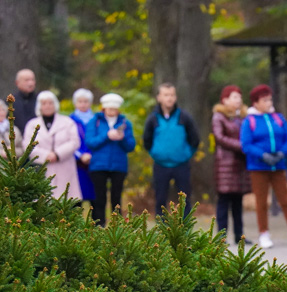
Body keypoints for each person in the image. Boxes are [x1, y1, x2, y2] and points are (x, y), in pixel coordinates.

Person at [240, 84, 287, 249]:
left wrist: (281, 153)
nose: (269, 102)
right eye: (265, 100)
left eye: (270, 99)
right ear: (255, 103)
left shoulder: (278, 118)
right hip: (258, 168)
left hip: (278, 166)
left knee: (286, 199)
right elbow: (246, 144)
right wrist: (262, 155)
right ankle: (264, 233)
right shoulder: (249, 121)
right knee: (262, 202)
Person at [143, 83, 200, 218]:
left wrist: (186, 154)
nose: (169, 98)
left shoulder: (184, 117)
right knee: (160, 198)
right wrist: (156, 153)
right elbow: (147, 140)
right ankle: (161, 228)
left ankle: (185, 229)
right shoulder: (153, 119)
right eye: (166, 95)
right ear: (159, 97)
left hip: (181, 165)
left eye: (172, 95)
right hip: (160, 165)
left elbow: (195, 139)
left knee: (184, 199)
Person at [86, 93, 136, 226]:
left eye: (115, 109)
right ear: (104, 108)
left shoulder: (125, 123)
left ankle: (117, 225)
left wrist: (122, 138)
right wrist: (107, 136)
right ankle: (98, 225)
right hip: (98, 166)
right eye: (110, 109)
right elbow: (90, 142)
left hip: (118, 166)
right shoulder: (94, 122)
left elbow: (130, 146)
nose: (112, 111)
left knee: (116, 197)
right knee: (99, 198)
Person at [211, 85, 251, 243]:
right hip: (225, 165)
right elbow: (219, 138)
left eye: (239, 97)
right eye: (235, 97)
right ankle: (221, 237)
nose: (238, 100)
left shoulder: (243, 117)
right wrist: (242, 146)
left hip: (240, 164)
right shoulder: (218, 117)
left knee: (237, 202)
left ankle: (239, 235)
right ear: (225, 99)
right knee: (223, 201)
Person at [25, 91, 81, 200]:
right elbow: (28, 145)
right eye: (44, 103)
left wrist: (57, 154)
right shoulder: (32, 124)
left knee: (65, 200)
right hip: (42, 167)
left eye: (50, 103)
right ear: (39, 106)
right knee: (44, 201)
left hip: (64, 166)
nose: (47, 106)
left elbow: (74, 141)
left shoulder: (67, 122)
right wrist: (46, 155)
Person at [70, 89, 96, 205]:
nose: (83, 104)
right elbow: (68, 140)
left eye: (86, 101)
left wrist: (91, 155)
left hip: (94, 162)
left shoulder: (97, 120)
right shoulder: (69, 120)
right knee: (76, 196)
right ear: (75, 103)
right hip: (76, 163)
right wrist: (80, 155)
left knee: (95, 195)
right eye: (80, 101)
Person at [13, 69, 37, 134]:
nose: (31, 83)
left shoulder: (40, 100)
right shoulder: (11, 102)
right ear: (17, 83)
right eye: (27, 80)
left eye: (32, 80)